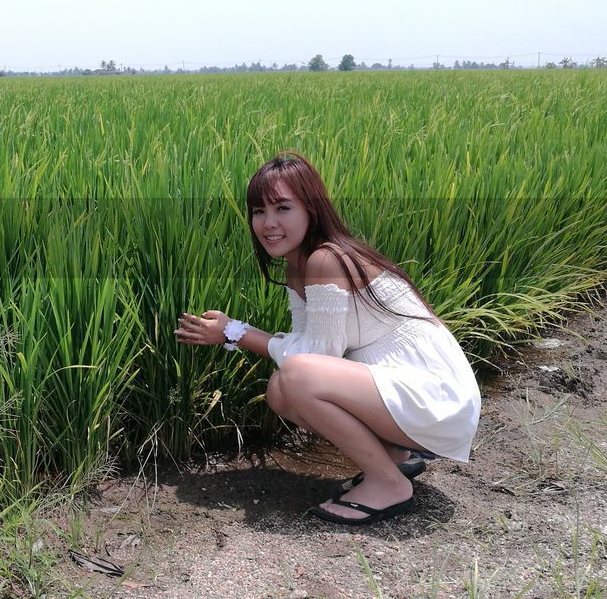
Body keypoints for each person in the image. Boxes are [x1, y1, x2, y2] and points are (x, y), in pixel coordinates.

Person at [173, 151, 481, 525]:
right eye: (258, 211)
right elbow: (307, 346)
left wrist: (234, 332)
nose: (268, 223)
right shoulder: (298, 267)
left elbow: (317, 358)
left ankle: (389, 485)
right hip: (405, 388)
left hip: (437, 396)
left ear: (312, 209)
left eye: (282, 208)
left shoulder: (326, 261)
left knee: (297, 377)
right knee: (281, 388)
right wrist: (236, 333)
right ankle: (395, 459)